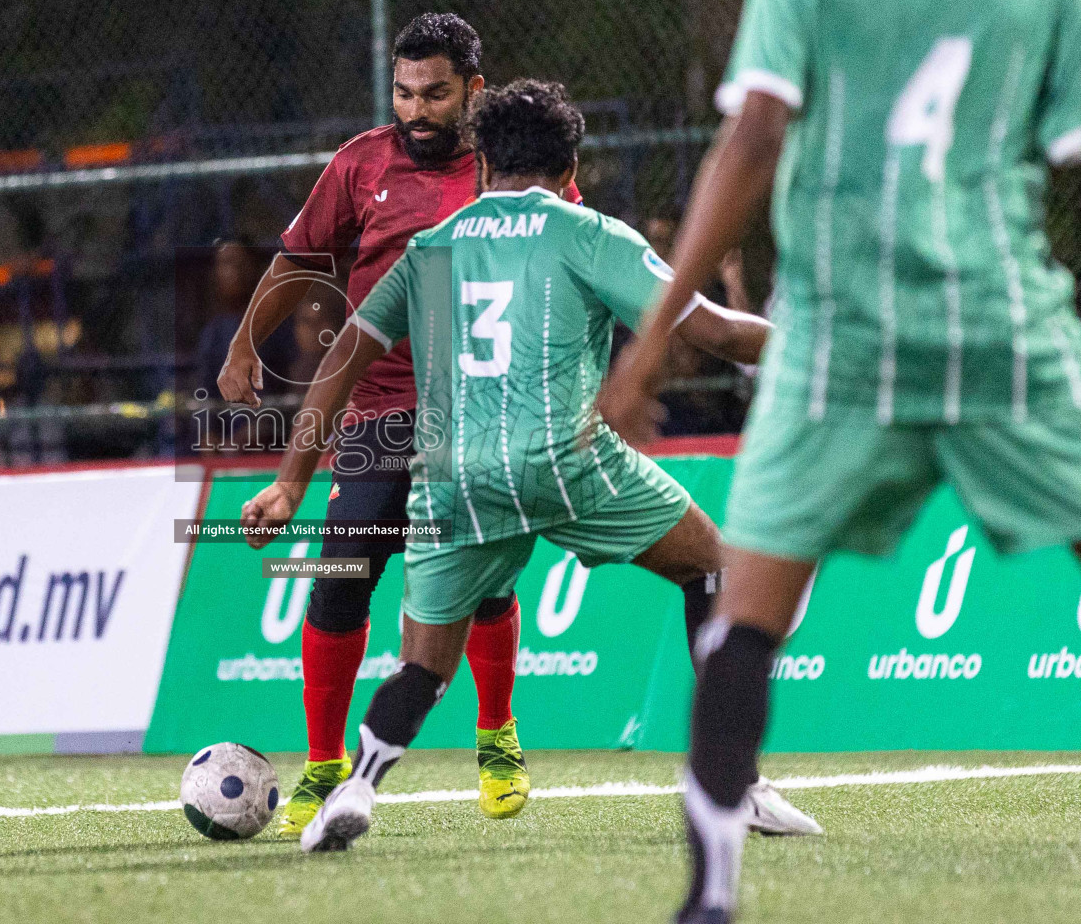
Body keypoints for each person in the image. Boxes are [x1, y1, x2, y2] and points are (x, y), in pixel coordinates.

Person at [595, 0, 1081, 921]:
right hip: (997, 324)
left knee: (747, 619)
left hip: (840, 335)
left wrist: (648, 346)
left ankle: (711, 896)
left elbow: (756, 134)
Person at [240, 79, 820, 854]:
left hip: (449, 481)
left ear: (482, 165)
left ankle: (357, 789)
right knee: (712, 567)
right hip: (565, 459)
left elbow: (347, 350)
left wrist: (290, 480)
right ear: (569, 161)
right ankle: (734, 782)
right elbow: (711, 331)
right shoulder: (586, 233)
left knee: (423, 668)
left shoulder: (433, 245)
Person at [218, 14, 585, 834]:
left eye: (437, 95)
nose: (417, 110)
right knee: (339, 575)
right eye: (404, 93)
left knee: (482, 582)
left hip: (481, 410)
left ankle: (496, 737)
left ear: (474, 92)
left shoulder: (512, 168)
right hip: (380, 409)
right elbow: (298, 259)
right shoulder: (360, 164)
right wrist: (245, 343)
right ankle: (323, 765)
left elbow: (566, 259)